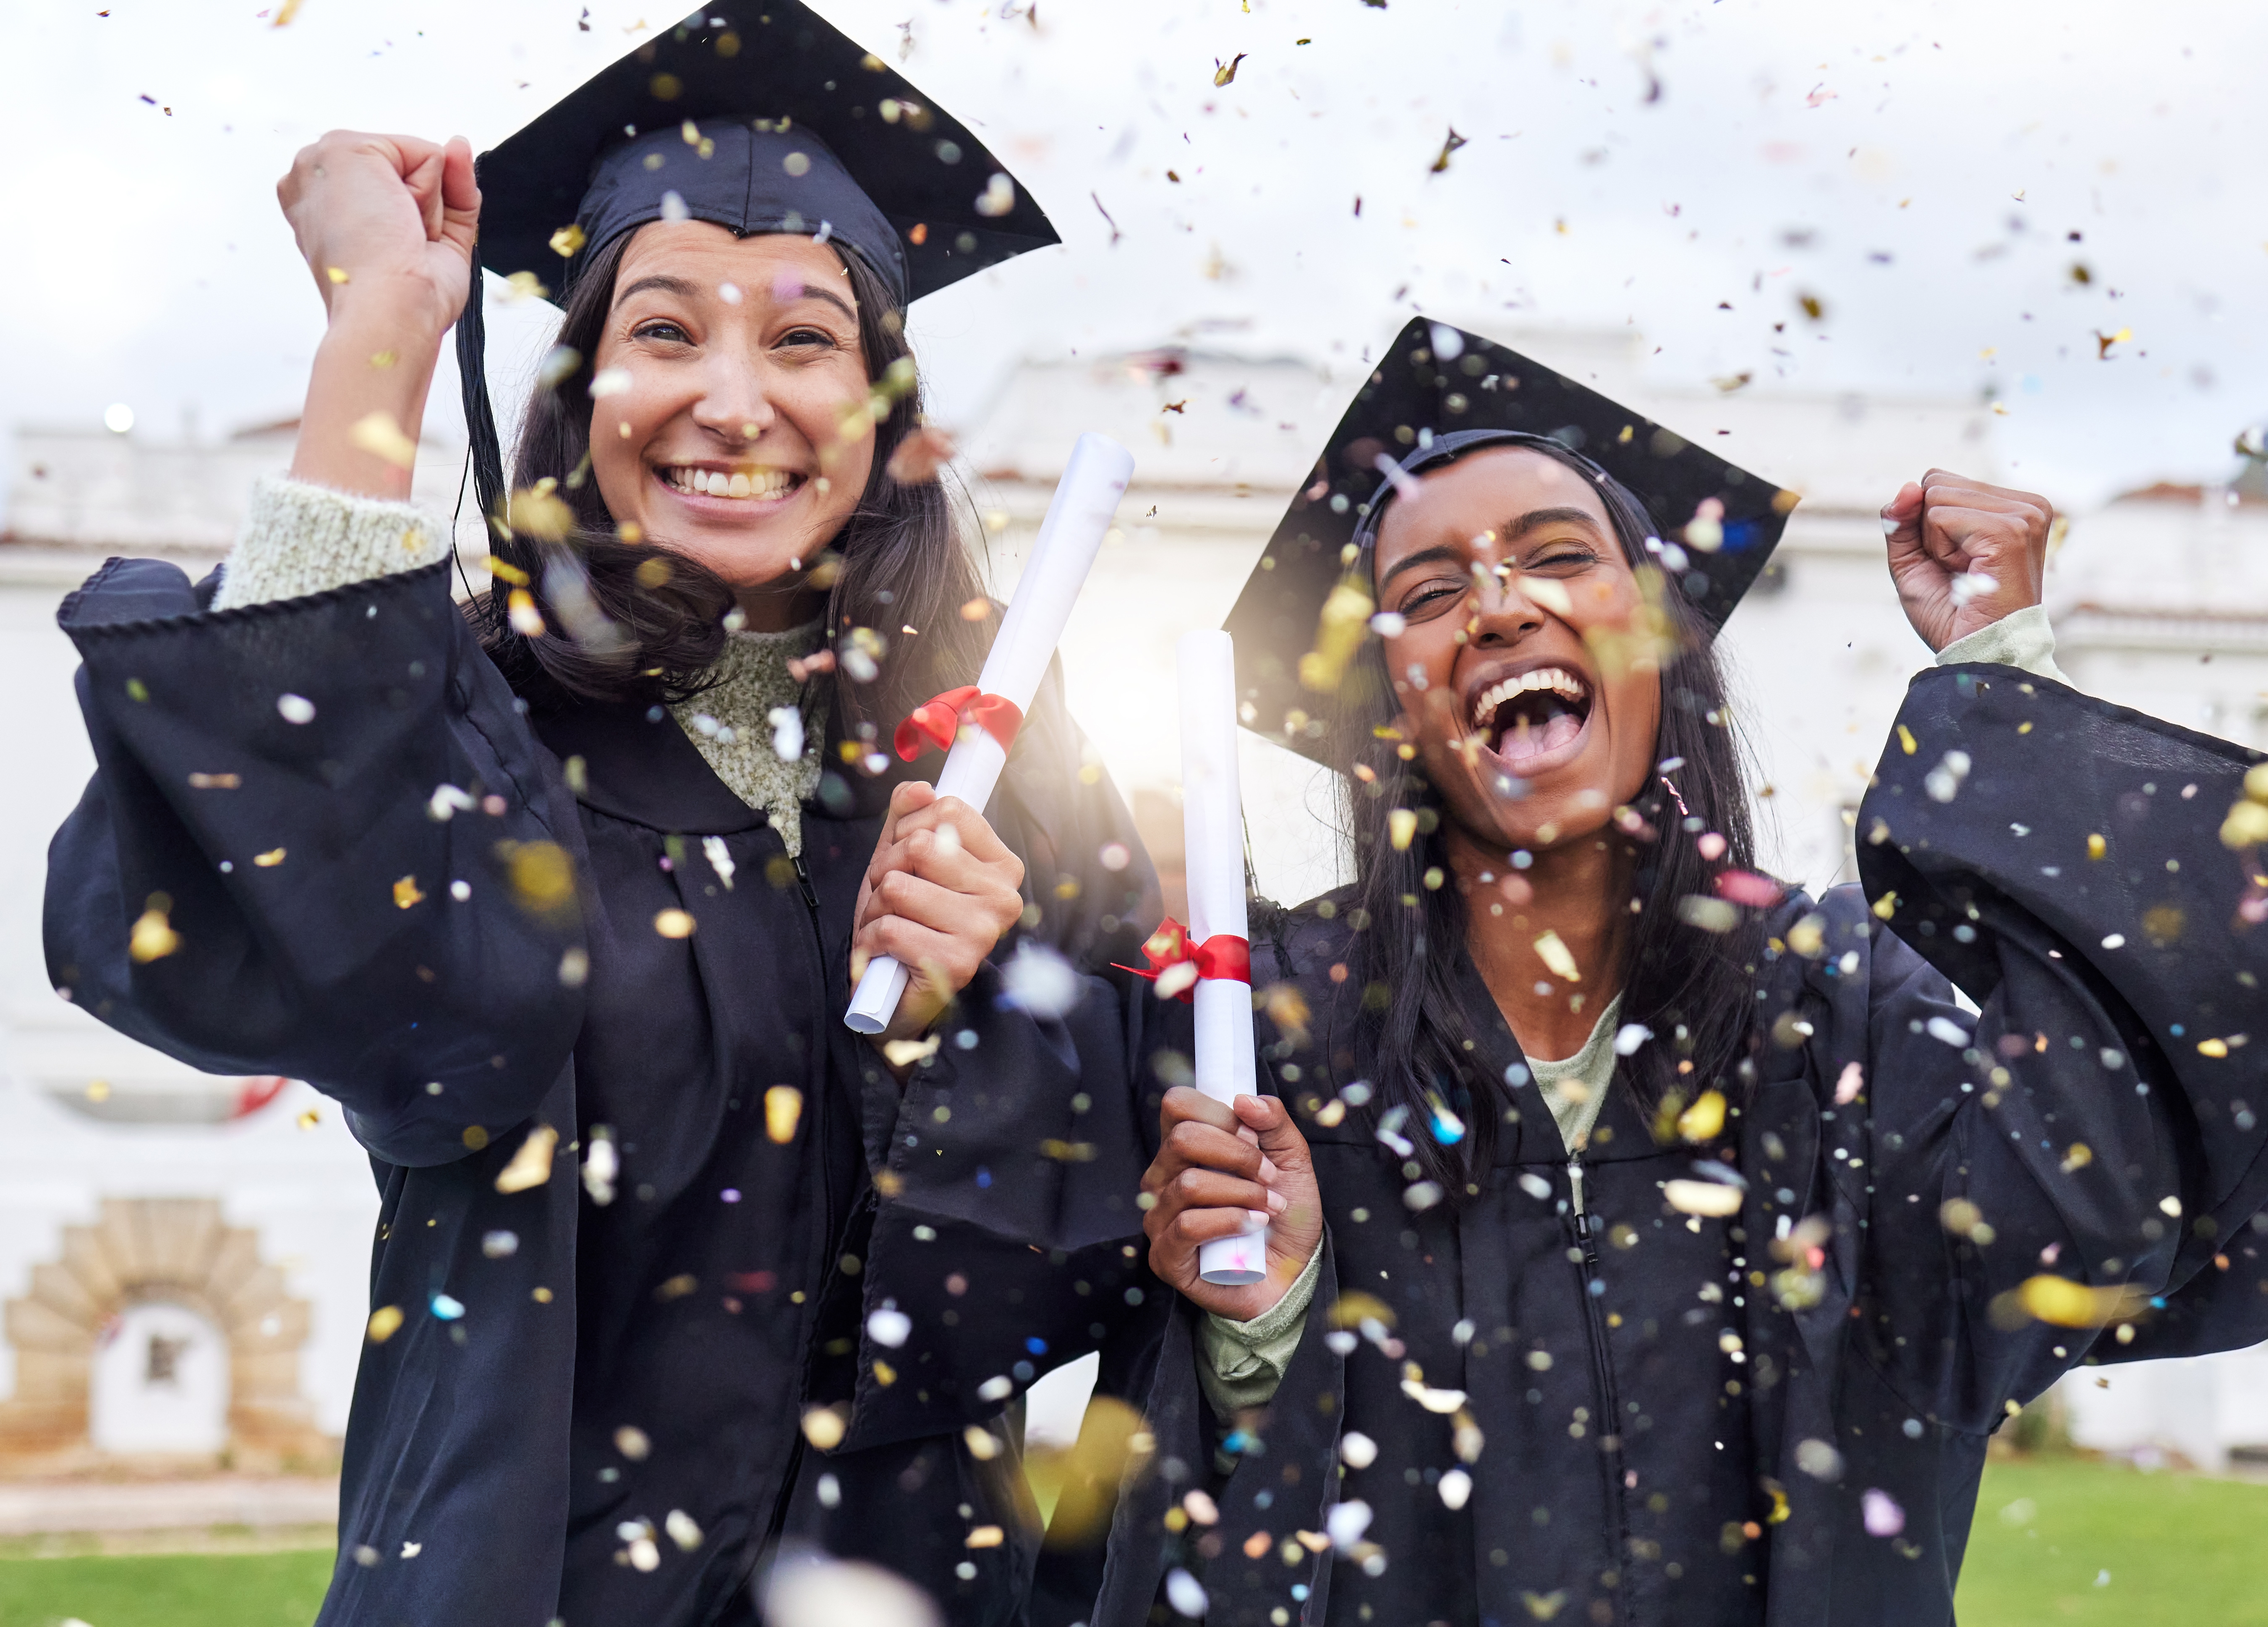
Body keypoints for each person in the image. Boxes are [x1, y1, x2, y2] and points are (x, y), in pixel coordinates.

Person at [41, 8, 1160, 1624]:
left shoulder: (1002, 774)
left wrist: (960, 1028)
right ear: (582, 384)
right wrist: (384, 337)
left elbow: (1119, 1243)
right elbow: (284, 949)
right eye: (662, 330)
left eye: (801, 341)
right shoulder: (473, 734)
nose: (730, 398)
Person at [1002, 318, 2265, 1627]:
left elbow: (2089, 1203)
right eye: (1430, 593)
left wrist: (2002, 690)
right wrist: (1260, 1335)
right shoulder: (1268, 1040)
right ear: (1393, 703)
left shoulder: (1837, 1012)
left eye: (1558, 558)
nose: (1498, 607)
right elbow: (1169, 1523)